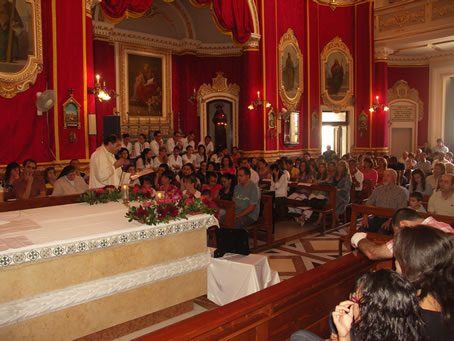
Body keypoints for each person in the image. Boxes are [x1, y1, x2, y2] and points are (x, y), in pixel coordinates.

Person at [290, 269, 424, 341]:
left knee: (299, 337)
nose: (349, 301)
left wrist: (344, 337)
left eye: (355, 300)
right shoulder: (401, 326)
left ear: (373, 313)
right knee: (333, 313)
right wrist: (344, 335)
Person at [394, 226, 454, 339]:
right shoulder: (444, 296)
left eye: (397, 259)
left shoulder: (415, 322)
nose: (395, 265)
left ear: (409, 265)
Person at [351, 207, 454, 260]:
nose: (397, 237)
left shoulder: (412, 237)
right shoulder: (443, 225)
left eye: (397, 233)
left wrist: (358, 238)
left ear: (404, 224)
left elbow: (373, 253)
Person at [360, 169, 407, 235]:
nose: (385, 178)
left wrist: (390, 221)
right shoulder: (378, 190)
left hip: (392, 219)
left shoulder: (400, 192)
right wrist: (365, 216)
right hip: (377, 218)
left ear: (394, 178)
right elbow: (369, 204)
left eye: (388, 176)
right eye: (384, 176)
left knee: (381, 232)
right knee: (362, 229)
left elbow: (401, 210)